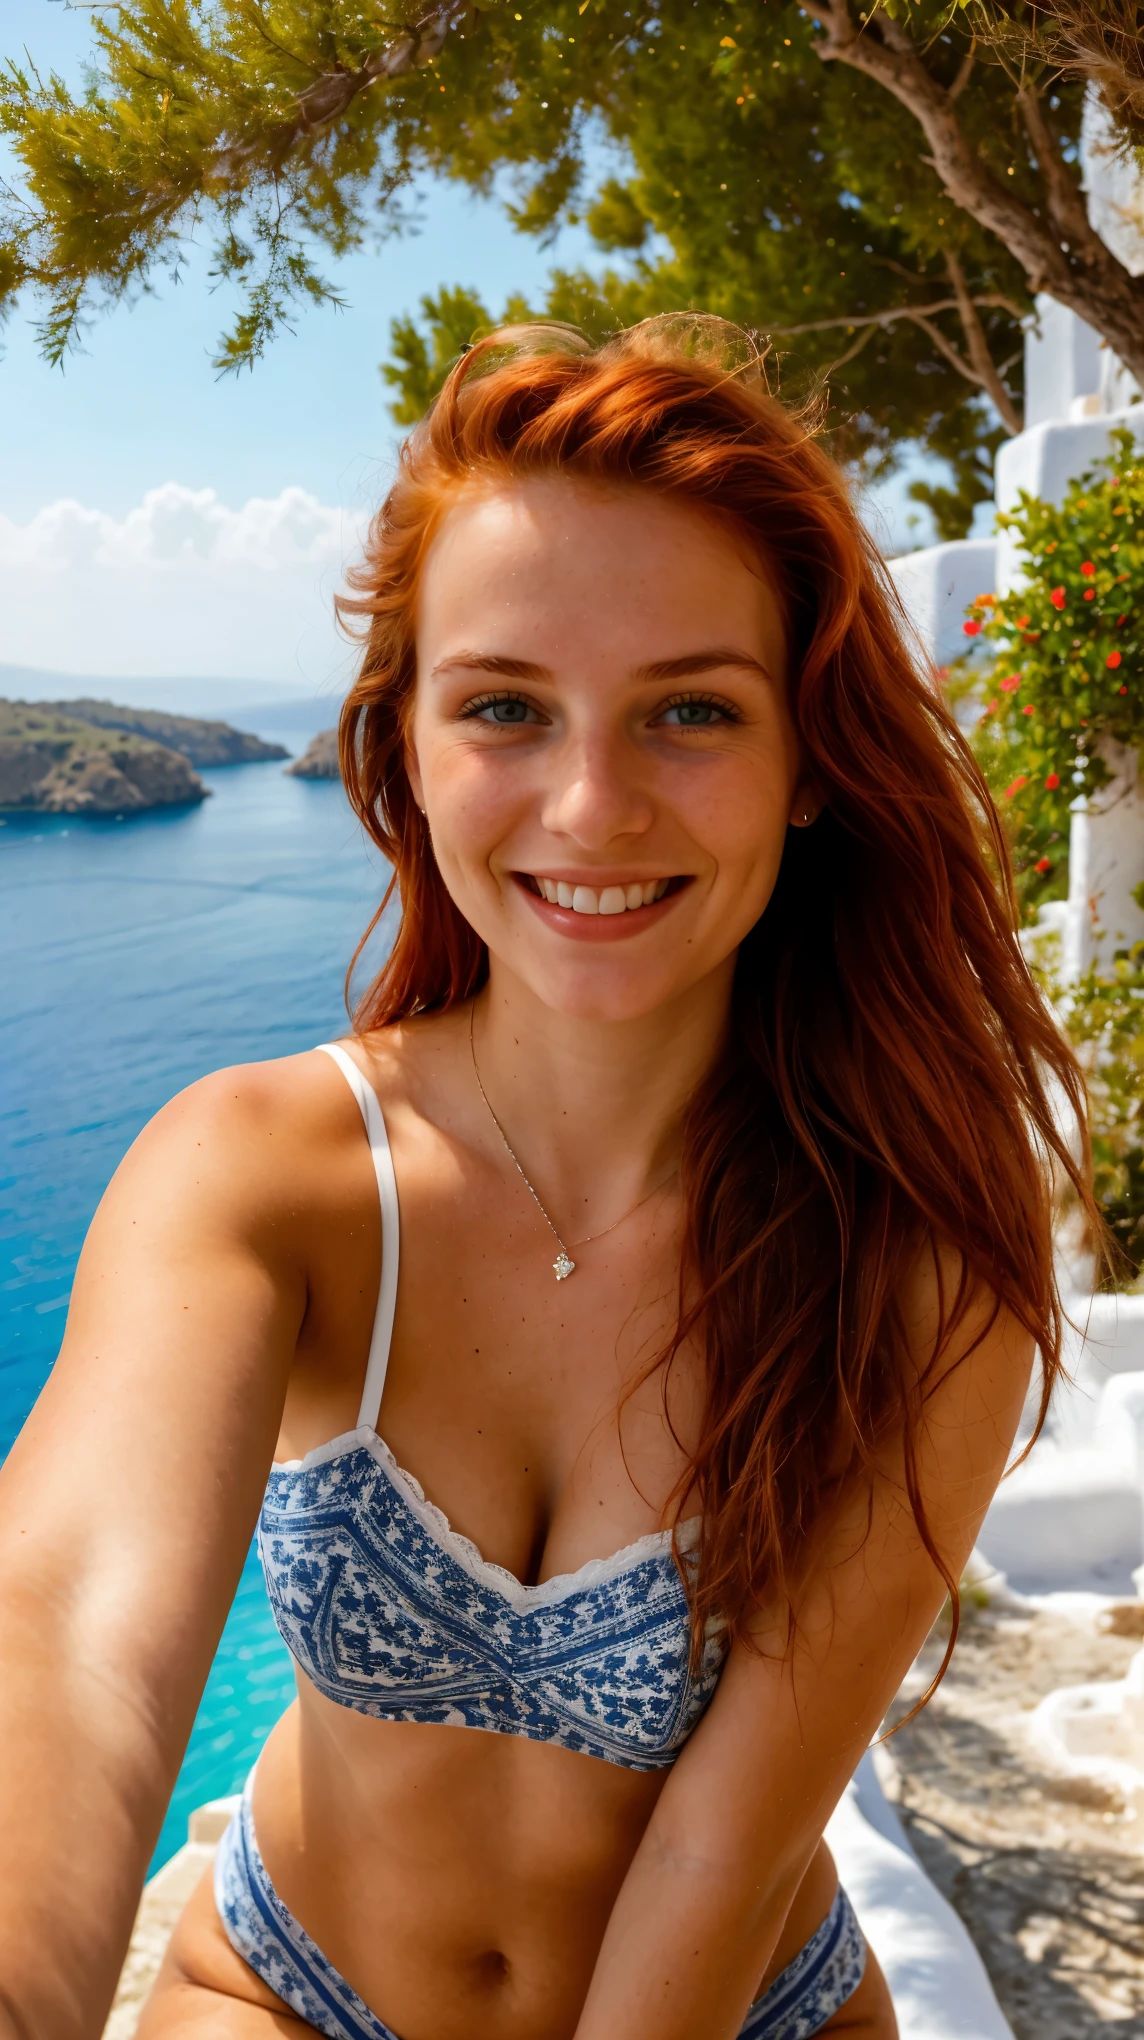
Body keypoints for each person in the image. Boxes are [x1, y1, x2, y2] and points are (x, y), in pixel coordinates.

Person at [0, 319, 1089, 2040]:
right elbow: (67, 1633)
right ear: (404, 747)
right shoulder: (267, 1179)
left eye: (691, 712)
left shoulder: (918, 1251)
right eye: (506, 705)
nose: (592, 804)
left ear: (809, 762)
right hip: (288, 1987)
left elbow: (720, 1858)